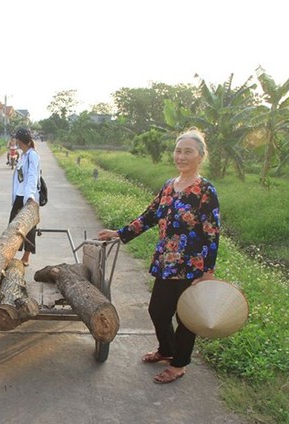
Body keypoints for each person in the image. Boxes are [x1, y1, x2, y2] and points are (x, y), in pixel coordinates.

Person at [98, 128, 220, 384]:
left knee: (186, 317)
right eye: (178, 150)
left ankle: (179, 364)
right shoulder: (168, 186)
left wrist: (208, 271)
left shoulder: (206, 190)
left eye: (188, 151)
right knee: (158, 311)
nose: (181, 156)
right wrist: (120, 233)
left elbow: (212, 232)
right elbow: (150, 216)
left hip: (191, 266)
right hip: (166, 263)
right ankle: (166, 350)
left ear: (200, 156)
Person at [9, 128, 41, 266]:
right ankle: (10, 252)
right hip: (19, 195)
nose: (16, 141)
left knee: (29, 228)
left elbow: (33, 176)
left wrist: (30, 196)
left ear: (22, 141)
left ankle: (26, 256)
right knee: (13, 226)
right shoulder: (23, 155)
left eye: (17, 139)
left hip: (28, 196)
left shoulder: (33, 155)